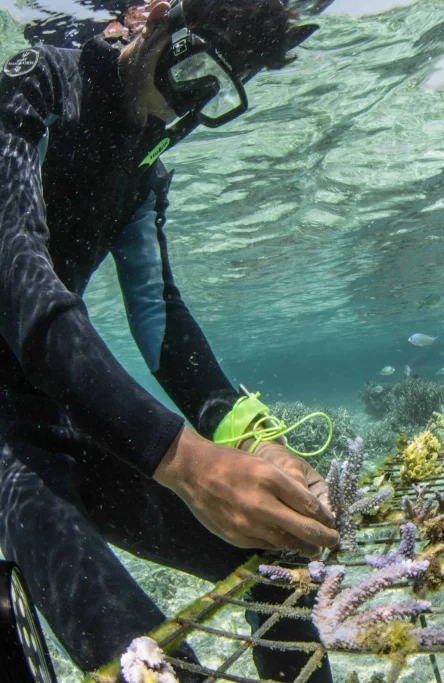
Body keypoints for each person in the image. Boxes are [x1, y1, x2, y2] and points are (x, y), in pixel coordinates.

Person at [0, 1, 339, 681]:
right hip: (11, 441)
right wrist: (186, 462)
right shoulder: (33, 89)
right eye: (193, 72)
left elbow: (161, 318)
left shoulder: (143, 162)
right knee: (152, 665)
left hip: (55, 409)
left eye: (214, 87)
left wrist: (247, 436)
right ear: (155, 17)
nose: (180, 108)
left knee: (275, 566)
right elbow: (18, 278)